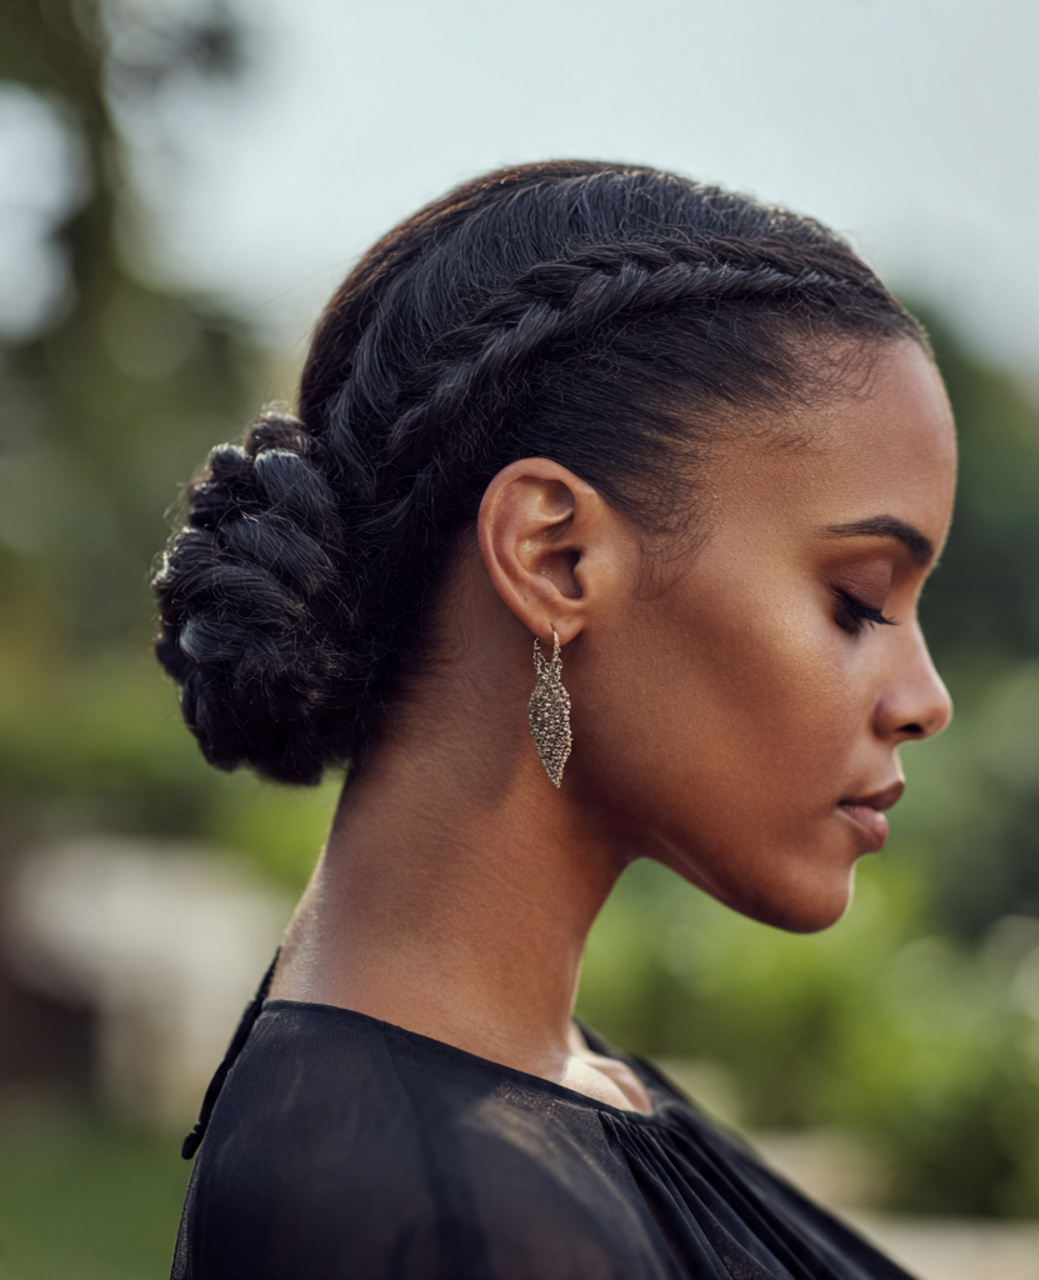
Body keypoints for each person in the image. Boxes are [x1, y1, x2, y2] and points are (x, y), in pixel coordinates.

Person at [153, 160, 955, 1279]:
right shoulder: (430, 1210)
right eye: (857, 600)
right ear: (554, 557)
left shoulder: (540, 1100)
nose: (925, 700)